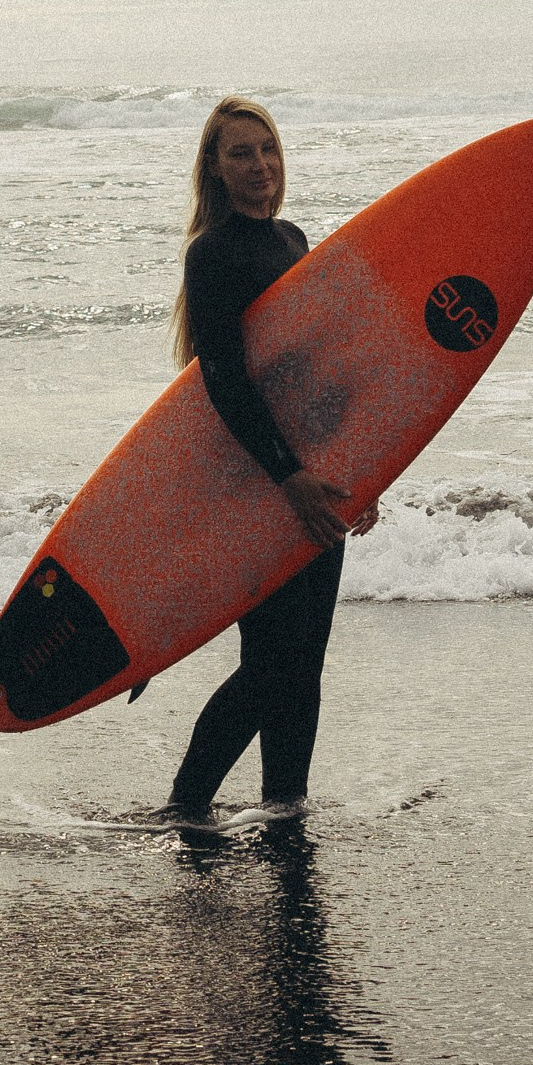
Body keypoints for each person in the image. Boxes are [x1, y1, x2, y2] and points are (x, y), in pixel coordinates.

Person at [162, 96, 379, 821]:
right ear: (215, 169)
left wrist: (361, 468)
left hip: (313, 478)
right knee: (270, 664)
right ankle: (186, 804)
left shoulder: (293, 238)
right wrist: (288, 477)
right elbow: (226, 381)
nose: (260, 166)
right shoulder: (213, 254)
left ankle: (285, 802)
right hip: (258, 482)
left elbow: (317, 373)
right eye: (241, 154)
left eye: (268, 150)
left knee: (302, 662)